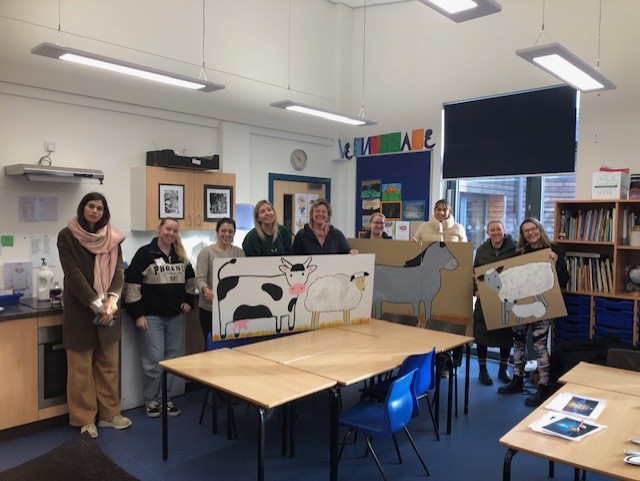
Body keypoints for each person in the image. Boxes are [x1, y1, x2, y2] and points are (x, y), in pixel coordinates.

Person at [57, 192, 131, 439]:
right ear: (82, 208)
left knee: (109, 366)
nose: (95, 211)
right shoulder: (67, 236)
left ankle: (110, 415)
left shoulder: (113, 237)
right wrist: (97, 305)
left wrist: (112, 300)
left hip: (109, 311)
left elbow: (119, 271)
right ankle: (85, 419)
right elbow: (73, 275)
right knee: (80, 370)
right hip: (81, 311)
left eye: (100, 208)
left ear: (104, 212)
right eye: (91, 206)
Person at [125, 218, 196, 418]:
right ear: (159, 229)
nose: (171, 233)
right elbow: (132, 286)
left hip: (175, 317)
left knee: (172, 361)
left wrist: (189, 301)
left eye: (175, 231)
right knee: (154, 361)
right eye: (167, 229)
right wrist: (137, 314)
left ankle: (166, 398)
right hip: (151, 317)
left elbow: (191, 282)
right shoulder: (144, 254)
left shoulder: (180, 255)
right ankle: (151, 400)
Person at [498, 217, 569, 407]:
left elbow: (564, 279)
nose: (531, 233)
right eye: (526, 231)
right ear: (523, 235)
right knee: (518, 343)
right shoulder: (520, 253)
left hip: (541, 307)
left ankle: (544, 386)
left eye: (533, 229)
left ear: (540, 229)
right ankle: (517, 380)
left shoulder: (553, 250)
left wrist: (555, 264)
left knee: (539, 346)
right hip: (520, 306)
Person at [473, 220, 517, 386]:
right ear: (488, 233)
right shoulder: (482, 250)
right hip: (485, 299)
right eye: (492, 230)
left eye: (499, 229)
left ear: (504, 231)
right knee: (482, 334)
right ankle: (483, 370)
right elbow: (474, 272)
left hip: (507, 298)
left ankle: (503, 369)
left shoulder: (515, 248)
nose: (496, 232)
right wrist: (475, 291)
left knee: (506, 335)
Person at [195, 217, 245, 345]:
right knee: (211, 344)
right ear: (217, 232)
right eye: (223, 231)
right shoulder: (206, 252)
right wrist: (205, 290)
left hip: (232, 308)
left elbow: (243, 278)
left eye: (230, 231)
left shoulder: (239, 253)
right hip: (210, 308)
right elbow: (200, 278)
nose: (227, 234)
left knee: (232, 344)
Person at [292, 198, 358, 255]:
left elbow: (347, 252)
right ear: (312, 214)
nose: (320, 214)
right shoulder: (301, 235)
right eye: (317, 211)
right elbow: (294, 258)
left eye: (324, 212)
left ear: (328, 215)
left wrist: (352, 252)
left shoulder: (337, 235)